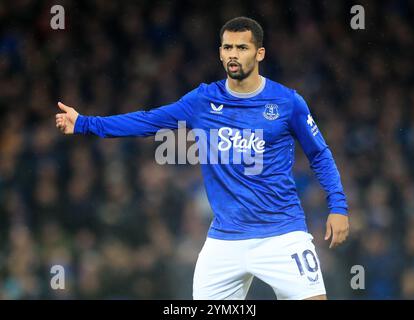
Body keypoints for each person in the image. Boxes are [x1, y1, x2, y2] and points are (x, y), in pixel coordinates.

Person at [55, 16, 349, 300]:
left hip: (282, 234)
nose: (233, 55)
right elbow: (147, 121)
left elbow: (319, 154)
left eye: (242, 48)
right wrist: (84, 123)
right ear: (220, 53)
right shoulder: (202, 101)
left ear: (259, 53)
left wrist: (338, 206)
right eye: (227, 47)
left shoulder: (287, 102)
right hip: (224, 240)